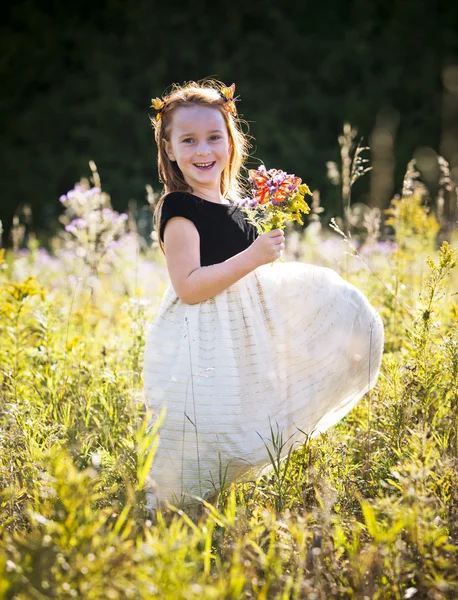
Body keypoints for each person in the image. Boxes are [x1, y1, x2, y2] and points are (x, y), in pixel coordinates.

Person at [143, 79, 384, 512]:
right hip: (202, 337)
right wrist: (254, 256)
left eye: (214, 137)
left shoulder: (241, 207)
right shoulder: (180, 208)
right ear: (170, 148)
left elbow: (254, 278)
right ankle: (172, 512)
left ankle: (211, 505)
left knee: (242, 423)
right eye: (189, 140)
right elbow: (190, 286)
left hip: (244, 336)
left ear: (231, 142)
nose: (203, 150)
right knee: (205, 428)